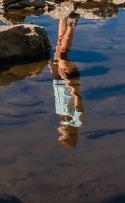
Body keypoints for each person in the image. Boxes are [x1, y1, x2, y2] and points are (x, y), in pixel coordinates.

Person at [50, 15, 85, 148]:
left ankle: (63, 14)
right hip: (69, 80)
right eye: (62, 135)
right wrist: (68, 81)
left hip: (58, 81)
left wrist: (52, 73)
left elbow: (59, 96)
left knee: (59, 45)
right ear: (70, 134)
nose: (59, 131)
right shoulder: (77, 122)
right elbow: (77, 98)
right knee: (62, 53)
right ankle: (71, 24)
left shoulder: (62, 117)